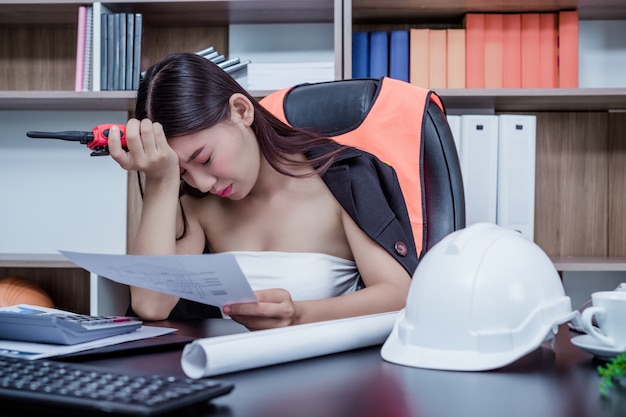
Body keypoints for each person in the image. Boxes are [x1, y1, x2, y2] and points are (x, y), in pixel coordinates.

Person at [107, 52, 417, 331]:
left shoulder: (341, 178)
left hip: (331, 377)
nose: (202, 183)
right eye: (182, 172)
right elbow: (150, 306)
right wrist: (161, 182)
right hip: (224, 373)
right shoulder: (197, 204)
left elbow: (399, 294)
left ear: (241, 111)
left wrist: (298, 314)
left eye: (205, 158)